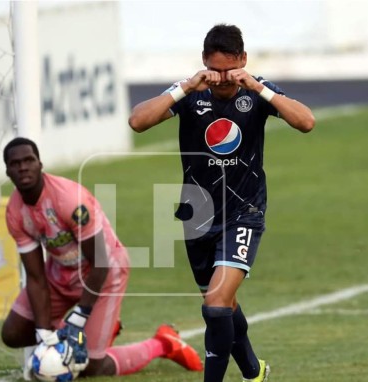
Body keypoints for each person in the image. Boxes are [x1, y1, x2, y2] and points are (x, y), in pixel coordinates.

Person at [128, 24, 315, 382]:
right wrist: (184, 86)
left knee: (215, 305)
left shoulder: (257, 92)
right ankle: (254, 372)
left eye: (231, 69)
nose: (223, 78)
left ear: (243, 60)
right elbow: (138, 121)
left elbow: (306, 122)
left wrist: (259, 87)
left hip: (244, 212)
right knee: (221, 305)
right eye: (216, 69)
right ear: (204, 62)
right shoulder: (191, 93)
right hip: (196, 213)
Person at [0, 137, 204, 378]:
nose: (23, 167)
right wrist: (43, 333)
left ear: (40, 164)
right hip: (60, 275)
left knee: (91, 366)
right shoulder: (14, 213)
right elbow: (35, 277)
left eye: (28, 160)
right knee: (13, 333)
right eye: (16, 163)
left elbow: (100, 262)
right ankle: (93, 332)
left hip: (105, 272)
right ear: (8, 171)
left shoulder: (69, 200)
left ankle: (163, 343)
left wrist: (80, 316)